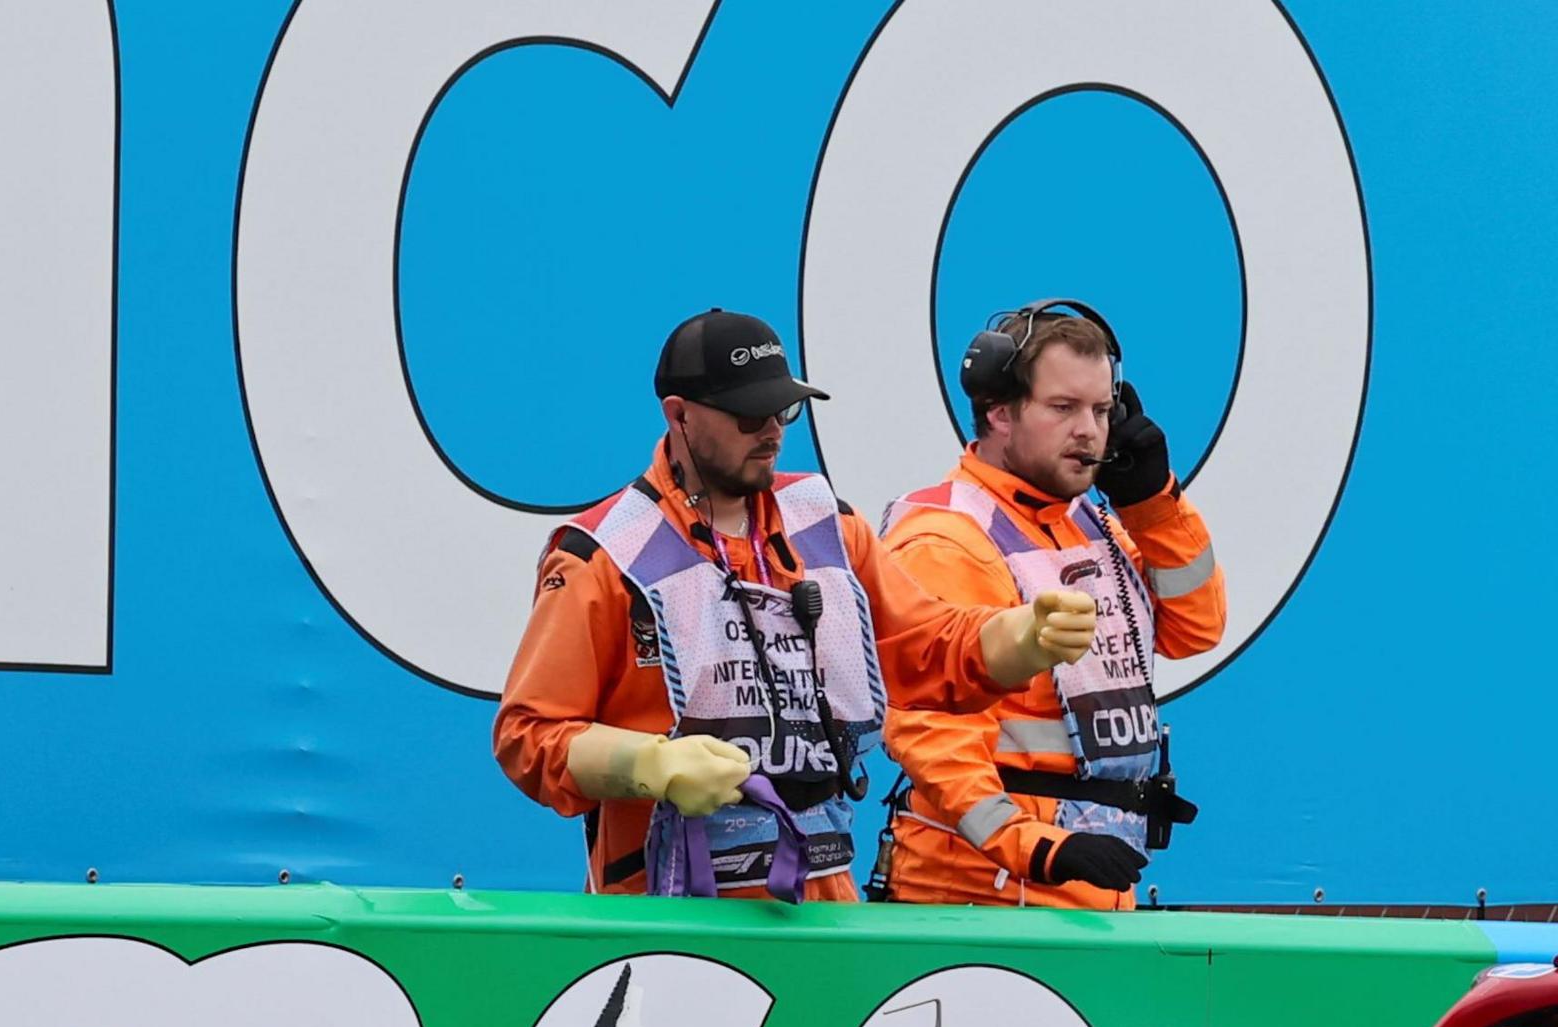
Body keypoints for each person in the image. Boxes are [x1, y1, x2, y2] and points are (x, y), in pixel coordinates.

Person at [492, 308, 1100, 901]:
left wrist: (1020, 637)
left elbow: (924, 647)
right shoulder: (605, 555)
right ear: (678, 416)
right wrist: (647, 764)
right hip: (669, 913)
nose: (773, 431)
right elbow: (528, 736)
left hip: (821, 906)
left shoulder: (828, 527)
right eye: (748, 415)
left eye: (784, 409)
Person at [871, 301, 1226, 907]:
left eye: (1102, 410)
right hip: (981, 895)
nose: (1089, 430)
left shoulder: (1089, 522)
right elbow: (931, 732)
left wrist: (1153, 504)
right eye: (1063, 408)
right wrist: (1035, 847)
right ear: (998, 412)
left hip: (1082, 885)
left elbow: (1195, 629)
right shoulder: (946, 539)